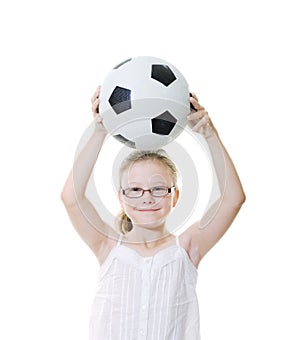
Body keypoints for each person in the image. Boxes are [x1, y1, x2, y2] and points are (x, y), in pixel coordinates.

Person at [61, 86, 246, 340]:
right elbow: (71, 198)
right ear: (121, 197)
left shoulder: (187, 247)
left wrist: (209, 134)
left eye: (158, 188)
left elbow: (233, 200)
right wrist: (100, 130)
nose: (147, 197)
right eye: (135, 189)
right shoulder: (108, 246)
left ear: (175, 196)